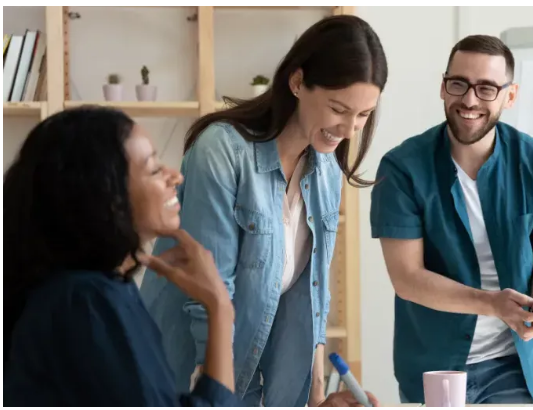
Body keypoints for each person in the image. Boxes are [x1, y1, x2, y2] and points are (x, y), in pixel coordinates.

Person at [138, 15, 386, 407]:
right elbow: (208, 297)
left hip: (253, 381)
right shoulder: (221, 152)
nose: (349, 129)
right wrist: (216, 398)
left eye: (364, 114)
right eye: (339, 108)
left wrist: (316, 397)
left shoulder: (326, 170)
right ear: (298, 82)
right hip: (188, 379)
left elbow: (312, 297)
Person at [370, 35, 533, 405]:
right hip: (433, 365)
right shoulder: (402, 168)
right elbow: (407, 279)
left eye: (486, 88)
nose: (469, 100)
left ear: (509, 97)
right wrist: (492, 303)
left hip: (517, 364)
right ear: (443, 87)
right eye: (459, 84)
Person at [3, 106, 240, 406]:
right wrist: (220, 307)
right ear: (106, 196)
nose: (176, 177)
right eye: (154, 169)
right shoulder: (87, 301)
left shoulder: (93, 292)